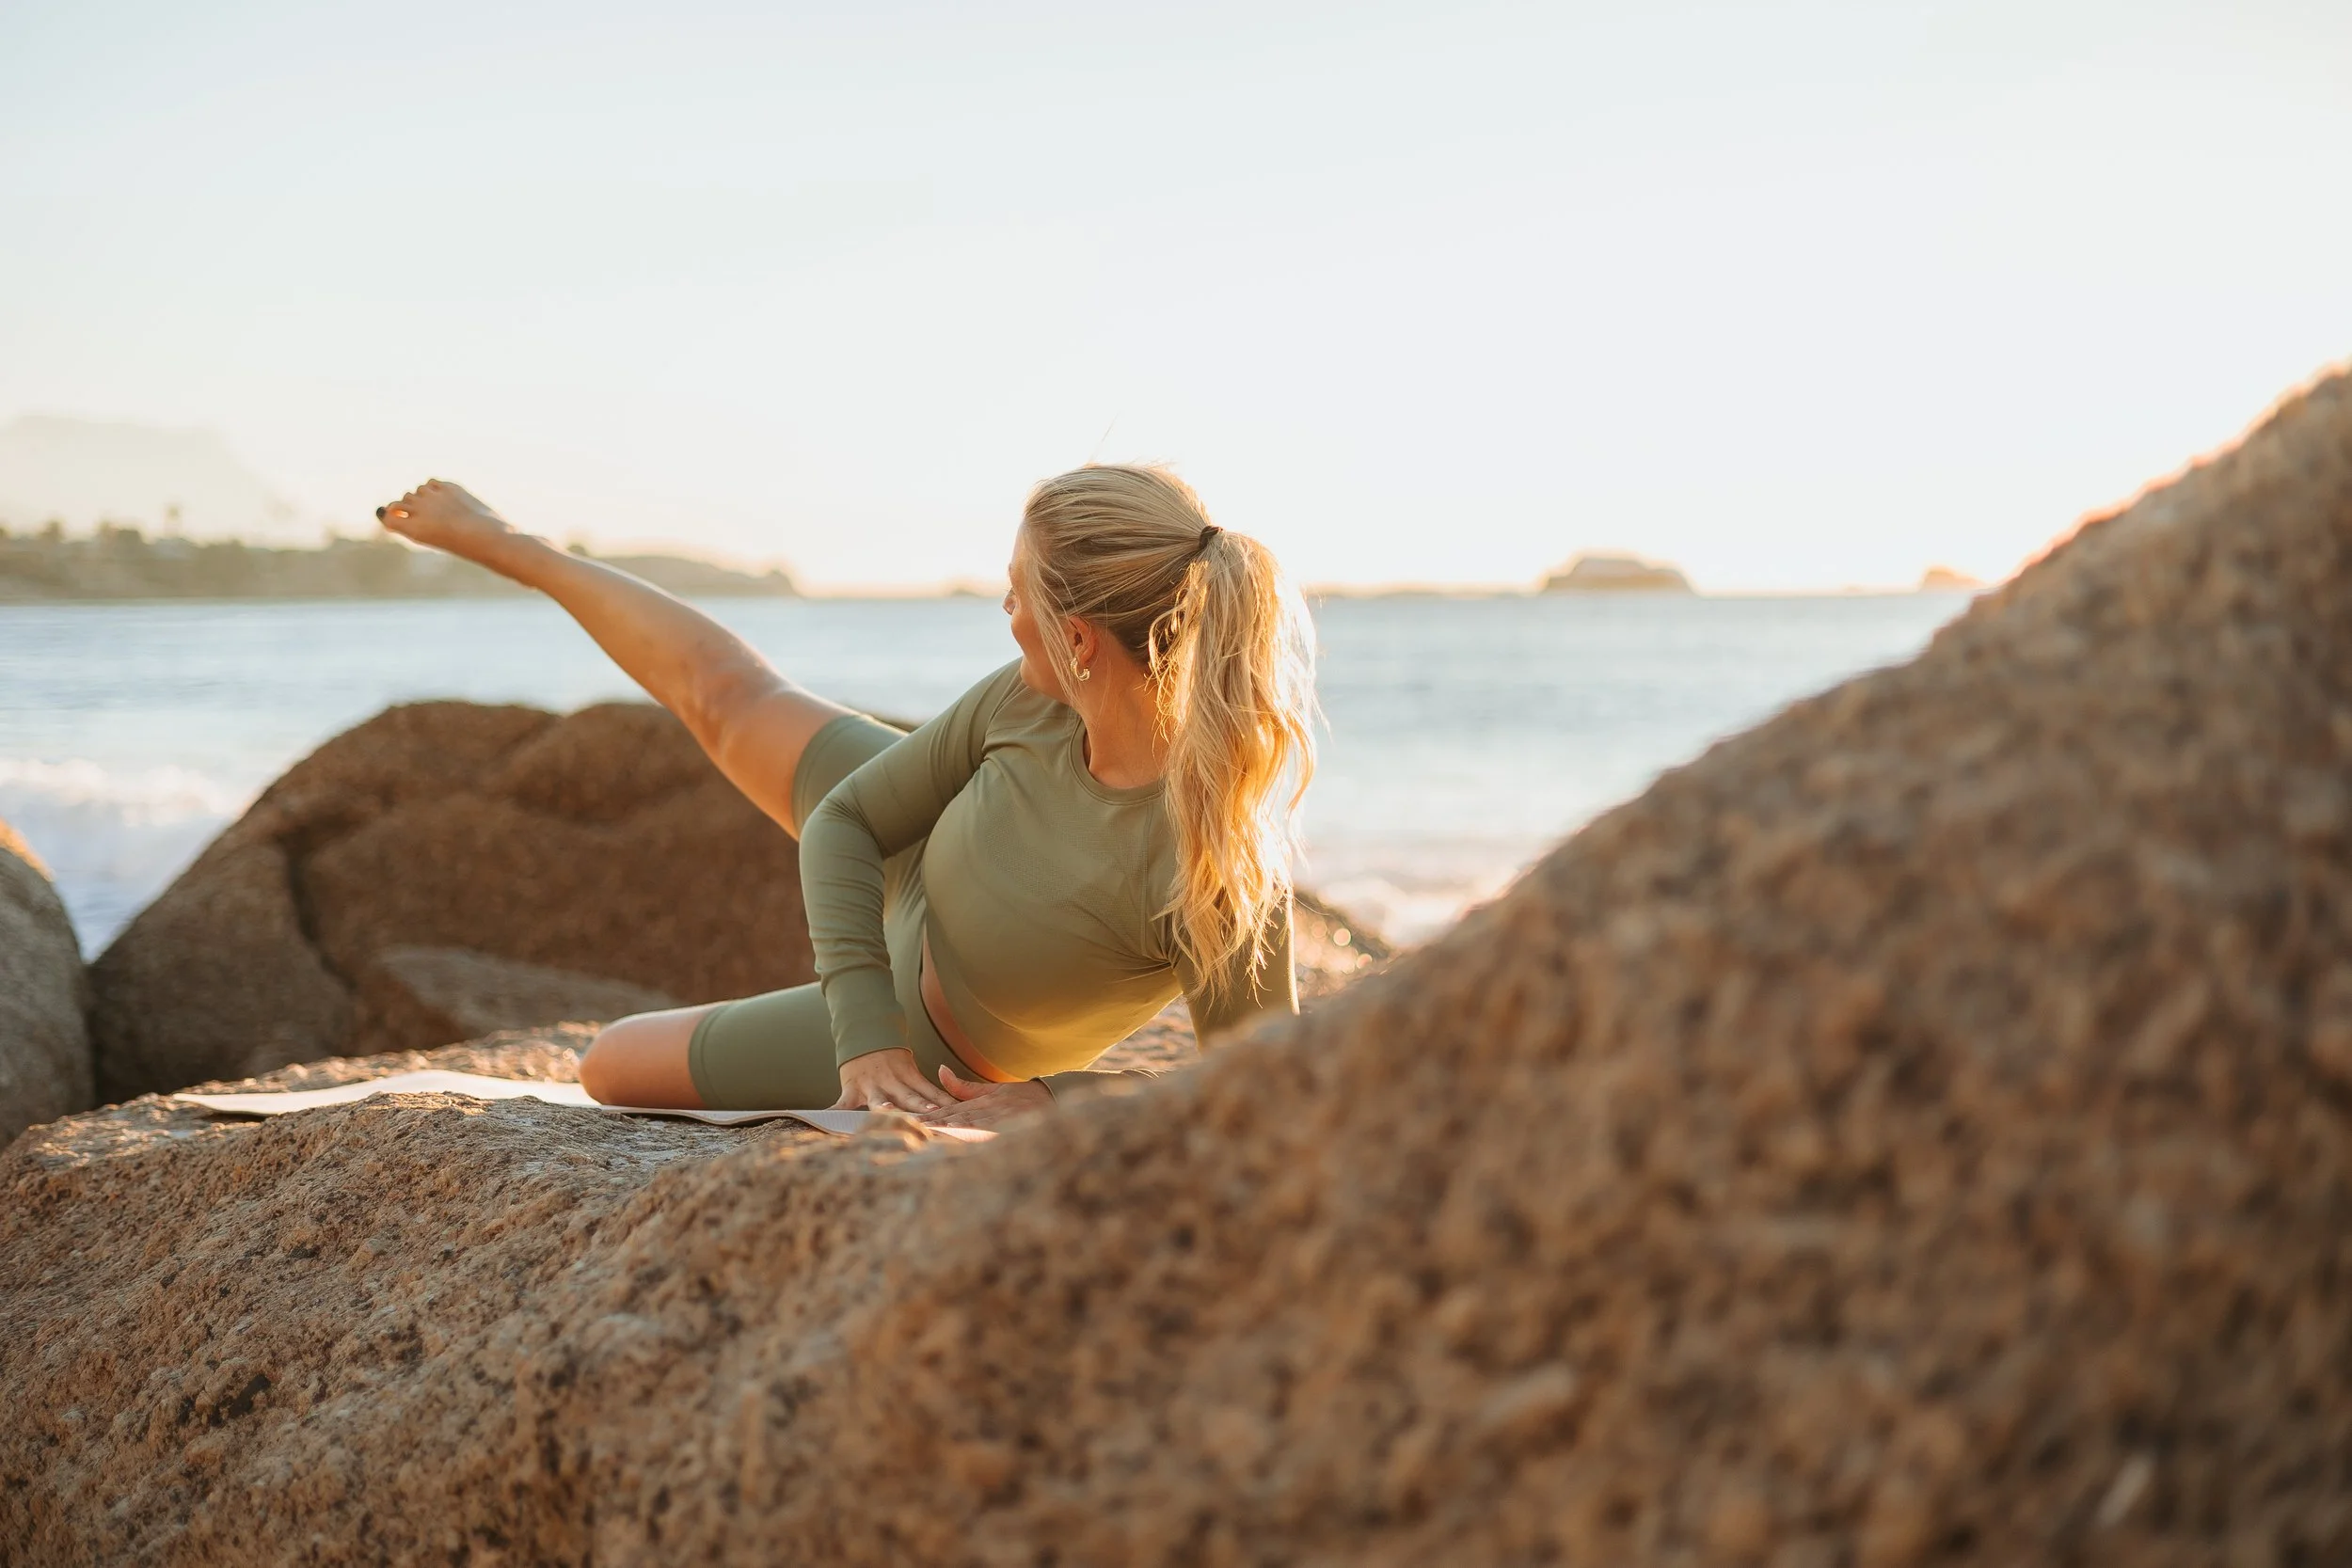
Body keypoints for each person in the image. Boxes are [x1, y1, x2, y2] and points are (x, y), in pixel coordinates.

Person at [374, 466, 1317, 1131]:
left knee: (608, 1063)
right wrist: (859, 1037)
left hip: (935, 1031)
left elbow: (1264, 1089)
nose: (1005, 613)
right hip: (929, 848)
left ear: (1078, 639)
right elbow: (850, 821)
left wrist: (1052, 1098)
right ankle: (512, 546)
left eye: (1016, 590)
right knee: (728, 692)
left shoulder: (1215, 856)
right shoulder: (1027, 701)